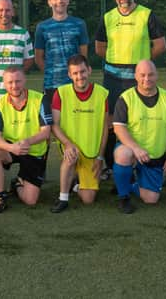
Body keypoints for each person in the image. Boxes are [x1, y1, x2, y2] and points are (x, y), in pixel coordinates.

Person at [94, 0, 166, 177]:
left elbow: (160, 45)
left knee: (139, 120)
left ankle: (141, 164)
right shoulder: (108, 17)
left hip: (138, 79)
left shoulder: (147, 15)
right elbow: (100, 48)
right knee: (110, 122)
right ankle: (111, 165)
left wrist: (141, 66)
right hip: (113, 78)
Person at [112, 60, 166, 213]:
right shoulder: (126, 98)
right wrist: (136, 148)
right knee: (123, 154)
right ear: (136, 76)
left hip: (154, 156)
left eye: (150, 74)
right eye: (142, 75)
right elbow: (119, 128)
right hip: (132, 151)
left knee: (151, 199)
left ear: (157, 75)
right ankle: (123, 197)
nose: (147, 79)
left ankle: (129, 183)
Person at [0, 66, 52, 213]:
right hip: (12, 148)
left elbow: (46, 132)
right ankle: (0, 196)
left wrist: (28, 141)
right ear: (4, 83)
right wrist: (12, 148)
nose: (14, 86)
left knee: (31, 201)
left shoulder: (39, 99)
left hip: (34, 149)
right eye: (10, 82)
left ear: (24, 80)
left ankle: (17, 184)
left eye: (18, 81)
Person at [50, 55, 109, 213]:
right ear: (69, 75)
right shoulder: (61, 93)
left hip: (91, 152)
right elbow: (54, 125)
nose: (79, 76)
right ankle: (63, 198)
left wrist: (100, 157)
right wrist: (68, 144)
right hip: (71, 147)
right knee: (71, 155)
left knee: (88, 199)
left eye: (82, 71)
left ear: (89, 70)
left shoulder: (102, 94)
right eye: (75, 73)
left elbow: (105, 129)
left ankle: (76, 183)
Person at [34, 0, 89, 101]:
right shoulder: (42, 27)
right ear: (49, 2)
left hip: (75, 84)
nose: (60, 1)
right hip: (51, 85)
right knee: (53, 119)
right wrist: (52, 74)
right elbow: (38, 58)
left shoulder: (79, 24)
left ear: (68, 0)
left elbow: (83, 56)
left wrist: (76, 75)